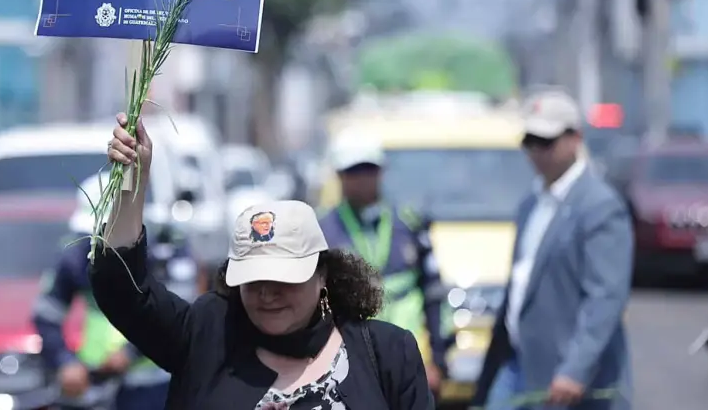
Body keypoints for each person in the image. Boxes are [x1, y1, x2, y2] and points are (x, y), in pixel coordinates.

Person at [90, 113, 434, 409]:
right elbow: (121, 289)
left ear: (322, 275)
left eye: (284, 279)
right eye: (253, 281)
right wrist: (131, 184)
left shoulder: (387, 353)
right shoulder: (207, 334)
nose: (268, 294)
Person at [471, 89, 633, 410]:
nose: (536, 152)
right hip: (518, 364)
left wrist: (575, 369)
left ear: (575, 138)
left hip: (568, 378)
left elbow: (605, 298)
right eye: (529, 141)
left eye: (546, 142)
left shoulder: (599, 206)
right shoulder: (531, 204)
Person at [32, 175, 195, 410]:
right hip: (96, 385)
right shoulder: (77, 255)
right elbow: (47, 314)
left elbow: (180, 314)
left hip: (155, 386)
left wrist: (130, 352)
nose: (98, 243)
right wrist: (65, 362)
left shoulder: (165, 251)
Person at [319, 128, 449, 396]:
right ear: (339, 176)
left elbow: (434, 293)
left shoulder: (409, 223)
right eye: (353, 171)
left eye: (369, 170)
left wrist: (438, 360)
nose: (362, 179)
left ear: (381, 171)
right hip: (348, 360)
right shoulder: (323, 230)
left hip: (411, 354)